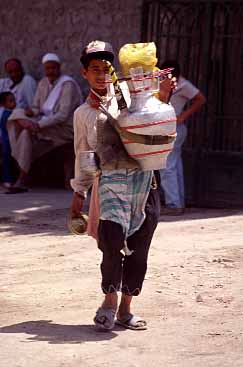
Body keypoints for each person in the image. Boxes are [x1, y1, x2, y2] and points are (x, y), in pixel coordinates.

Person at [70, 40, 161, 331]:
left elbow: (157, 116)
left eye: (106, 68)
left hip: (145, 184)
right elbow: (84, 155)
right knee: (110, 245)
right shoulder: (83, 114)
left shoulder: (132, 96)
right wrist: (79, 192)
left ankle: (125, 309)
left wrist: (165, 90)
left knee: (139, 247)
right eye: (94, 69)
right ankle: (108, 301)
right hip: (109, 186)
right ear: (84, 73)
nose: (101, 75)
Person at [6, 53, 83, 193]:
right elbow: (37, 107)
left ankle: (22, 178)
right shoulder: (43, 83)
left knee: (26, 133)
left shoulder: (67, 85)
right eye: (48, 69)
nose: (50, 71)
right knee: (18, 117)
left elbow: (62, 115)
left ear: (59, 68)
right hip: (44, 125)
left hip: (65, 129)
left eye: (53, 68)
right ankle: (23, 176)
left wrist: (38, 125)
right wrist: (30, 112)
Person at [159, 60, 206, 215]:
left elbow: (200, 99)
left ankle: (173, 204)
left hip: (174, 127)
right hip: (169, 126)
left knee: (167, 166)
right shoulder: (163, 83)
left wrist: (183, 116)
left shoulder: (183, 85)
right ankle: (179, 202)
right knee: (174, 165)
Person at [0, 92, 16, 188]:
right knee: (6, 159)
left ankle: (9, 179)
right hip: (7, 140)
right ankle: (7, 179)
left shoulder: (11, 113)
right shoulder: (7, 114)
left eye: (14, 100)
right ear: (3, 104)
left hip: (9, 139)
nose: (14, 103)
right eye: (10, 101)